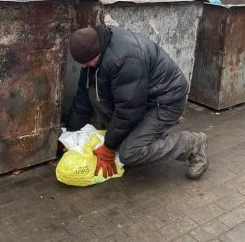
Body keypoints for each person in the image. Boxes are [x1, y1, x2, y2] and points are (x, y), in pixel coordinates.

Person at [67, 25, 208, 180]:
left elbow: (128, 110)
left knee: (129, 153)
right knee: (94, 94)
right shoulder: (96, 46)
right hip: (142, 99)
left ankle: (193, 144)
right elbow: (83, 94)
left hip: (166, 101)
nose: (84, 66)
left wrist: (108, 147)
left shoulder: (124, 59)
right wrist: (71, 133)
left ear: (97, 52)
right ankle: (140, 136)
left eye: (87, 62)